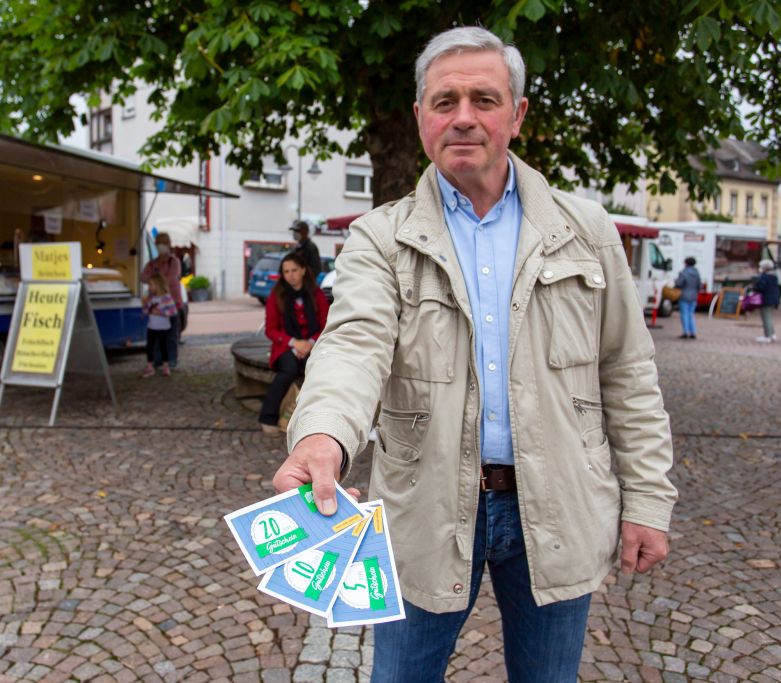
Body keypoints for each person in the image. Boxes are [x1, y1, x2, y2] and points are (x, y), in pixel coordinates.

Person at [272, 26, 676, 682]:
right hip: (424, 505)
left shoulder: (586, 231)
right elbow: (353, 346)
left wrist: (648, 503)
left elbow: (627, 371)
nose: (463, 116)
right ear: (420, 118)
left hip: (562, 502)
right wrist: (322, 436)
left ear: (517, 114)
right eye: (445, 100)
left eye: (484, 99)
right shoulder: (381, 237)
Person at [259, 253, 329, 435]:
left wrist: (310, 343)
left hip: (313, 345)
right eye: (286, 271)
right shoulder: (277, 295)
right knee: (288, 369)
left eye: (294, 270)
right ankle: (268, 417)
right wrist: (294, 343)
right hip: (285, 345)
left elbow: (326, 324)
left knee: (319, 370)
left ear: (304, 270)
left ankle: (318, 419)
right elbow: (271, 329)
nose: (290, 275)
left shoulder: (316, 293)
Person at [140, 233, 183, 367]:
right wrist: (157, 279)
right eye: (158, 242)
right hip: (155, 305)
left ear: (168, 244)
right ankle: (158, 360)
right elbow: (143, 277)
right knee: (156, 335)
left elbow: (171, 279)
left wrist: (155, 279)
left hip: (172, 304)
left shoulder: (173, 262)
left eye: (163, 243)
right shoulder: (152, 263)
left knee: (170, 335)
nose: (160, 246)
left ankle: (171, 360)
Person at [141, 273, 177, 377]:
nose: (149, 287)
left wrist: (160, 313)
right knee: (149, 347)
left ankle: (166, 366)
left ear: (158, 285)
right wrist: (145, 306)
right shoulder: (150, 297)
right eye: (149, 285)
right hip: (151, 326)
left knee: (163, 346)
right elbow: (145, 312)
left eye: (151, 285)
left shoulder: (166, 298)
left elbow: (173, 312)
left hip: (163, 327)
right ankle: (149, 366)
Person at [753, 260, 781, 343]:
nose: (760, 269)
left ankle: (767, 336)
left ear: (765, 268)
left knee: (766, 318)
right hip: (773, 299)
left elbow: (760, 288)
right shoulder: (774, 277)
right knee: (769, 317)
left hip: (766, 299)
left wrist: (754, 287)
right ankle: (772, 334)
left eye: (761, 267)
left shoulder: (764, 277)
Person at [674, 256, 701, 339]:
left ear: (686, 263)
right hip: (693, 296)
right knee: (691, 314)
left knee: (684, 314)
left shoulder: (683, 272)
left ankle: (685, 332)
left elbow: (679, 283)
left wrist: (675, 281)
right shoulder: (696, 273)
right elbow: (699, 285)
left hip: (684, 296)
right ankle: (693, 332)